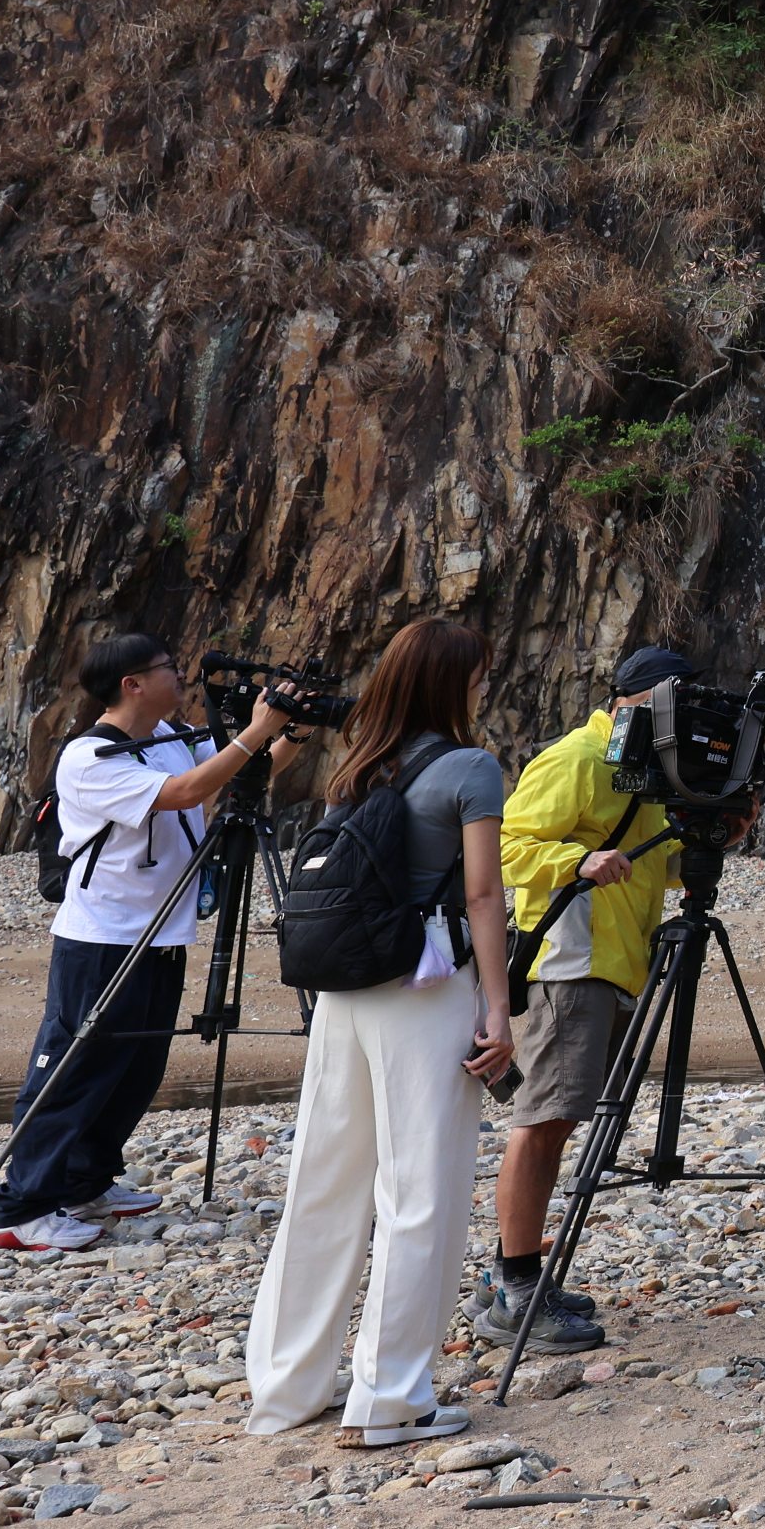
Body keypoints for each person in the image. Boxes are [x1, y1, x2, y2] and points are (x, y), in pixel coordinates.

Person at [244, 619, 517, 1449]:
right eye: (476, 674)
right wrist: (498, 1009)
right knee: (418, 1193)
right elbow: (480, 897)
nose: (482, 686)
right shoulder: (471, 768)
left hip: (343, 993)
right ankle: (391, 1400)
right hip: (424, 991)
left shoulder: (356, 766)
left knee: (322, 1184)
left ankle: (286, 1390)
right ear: (450, 682)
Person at [0, 634, 298, 1254]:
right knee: (75, 1069)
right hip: (104, 938)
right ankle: (20, 1208)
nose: (179, 677)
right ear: (131, 683)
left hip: (162, 932)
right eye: (167, 669)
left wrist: (287, 729)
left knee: (134, 1069)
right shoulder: (90, 757)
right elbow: (184, 794)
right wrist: (254, 731)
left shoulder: (168, 742)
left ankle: (85, 1184)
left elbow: (229, 773)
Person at [483, 643, 694, 1350]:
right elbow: (503, 844)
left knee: (561, 1119)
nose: (677, 717)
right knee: (544, 1120)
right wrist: (577, 859)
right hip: (570, 962)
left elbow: (650, 868)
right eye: (669, 702)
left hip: (617, 961)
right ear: (632, 698)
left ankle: (511, 1274)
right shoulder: (578, 757)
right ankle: (514, 1284)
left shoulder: (646, 767)